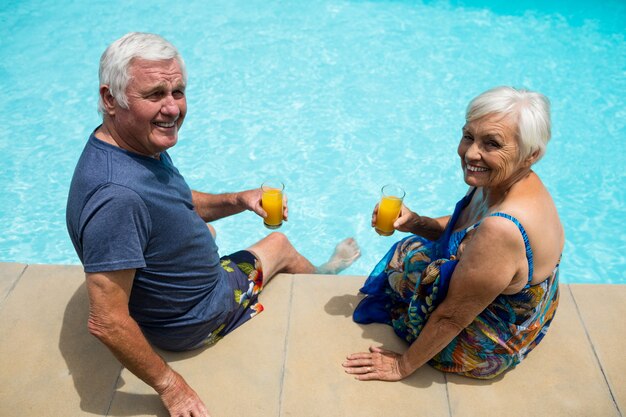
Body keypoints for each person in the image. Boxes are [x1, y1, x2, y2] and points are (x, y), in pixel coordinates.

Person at [66, 32, 360, 417]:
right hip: (196, 317)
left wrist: (239, 200)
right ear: (110, 99)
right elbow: (106, 320)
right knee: (280, 243)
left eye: (178, 92)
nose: (172, 109)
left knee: (208, 230)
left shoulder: (128, 146)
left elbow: (173, 202)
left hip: (166, 297)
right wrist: (173, 388)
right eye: (155, 95)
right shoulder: (117, 198)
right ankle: (323, 275)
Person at [343, 86, 563, 381]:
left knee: (413, 267)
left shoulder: (502, 228)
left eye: (492, 144)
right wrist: (416, 222)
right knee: (412, 246)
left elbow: (453, 316)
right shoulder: (505, 177)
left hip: (485, 341)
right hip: (514, 301)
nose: (471, 153)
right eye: (469, 136)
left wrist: (402, 366)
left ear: (531, 154)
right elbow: (466, 224)